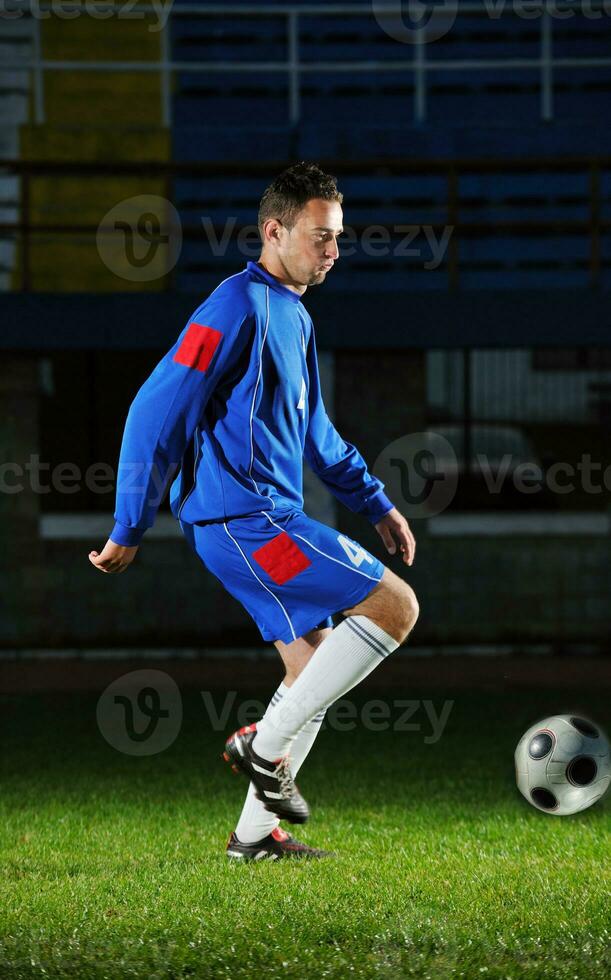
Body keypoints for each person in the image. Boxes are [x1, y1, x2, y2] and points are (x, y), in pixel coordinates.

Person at [89, 162, 419, 861]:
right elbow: (155, 411)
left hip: (255, 521)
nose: (333, 250)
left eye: (338, 237)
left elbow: (315, 434)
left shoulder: (292, 313)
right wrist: (128, 524)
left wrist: (375, 502)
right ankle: (259, 746)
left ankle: (252, 837)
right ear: (275, 231)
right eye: (320, 236)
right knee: (394, 608)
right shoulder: (233, 305)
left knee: (313, 669)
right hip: (247, 523)